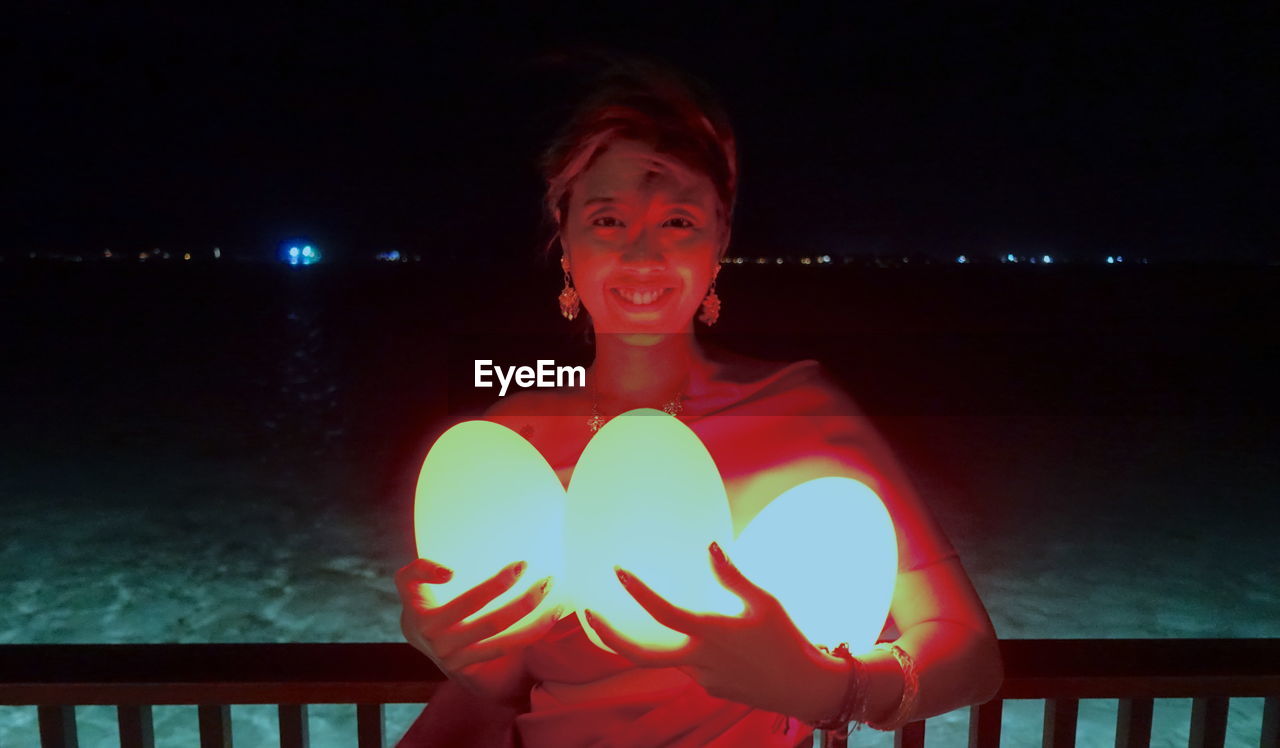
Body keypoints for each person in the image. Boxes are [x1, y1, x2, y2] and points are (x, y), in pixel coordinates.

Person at [394, 57, 1003, 747]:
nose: (644, 255)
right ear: (564, 242)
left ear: (720, 242)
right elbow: (505, 690)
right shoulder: (512, 446)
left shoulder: (801, 411)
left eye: (679, 221)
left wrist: (833, 687)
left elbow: (969, 652)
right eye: (608, 220)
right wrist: (452, 648)